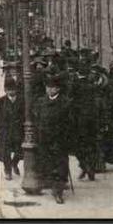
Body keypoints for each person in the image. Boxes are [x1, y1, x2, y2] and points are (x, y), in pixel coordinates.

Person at [33, 75, 72, 204]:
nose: (49, 90)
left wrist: (65, 139)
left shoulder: (65, 102)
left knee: (60, 166)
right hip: (44, 140)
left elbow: (70, 123)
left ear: (58, 89)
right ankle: (51, 185)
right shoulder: (40, 101)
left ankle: (58, 192)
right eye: (48, 87)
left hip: (59, 140)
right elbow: (36, 119)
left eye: (52, 88)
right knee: (47, 165)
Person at [70, 64, 101, 181]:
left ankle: (85, 166)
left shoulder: (74, 85)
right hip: (92, 120)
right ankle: (89, 167)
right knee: (91, 145)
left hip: (78, 121)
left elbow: (70, 101)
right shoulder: (92, 86)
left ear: (78, 73)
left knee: (78, 146)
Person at [0, 80, 24, 180]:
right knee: (6, 151)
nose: (11, 92)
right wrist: (3, 123)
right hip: (5, 130)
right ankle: (8, 171)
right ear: (5, 90)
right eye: (8, 90)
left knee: (20, 150)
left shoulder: (22, 100)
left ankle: (14, 163)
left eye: (13, 90)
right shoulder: (1, 101)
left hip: (18, 130)